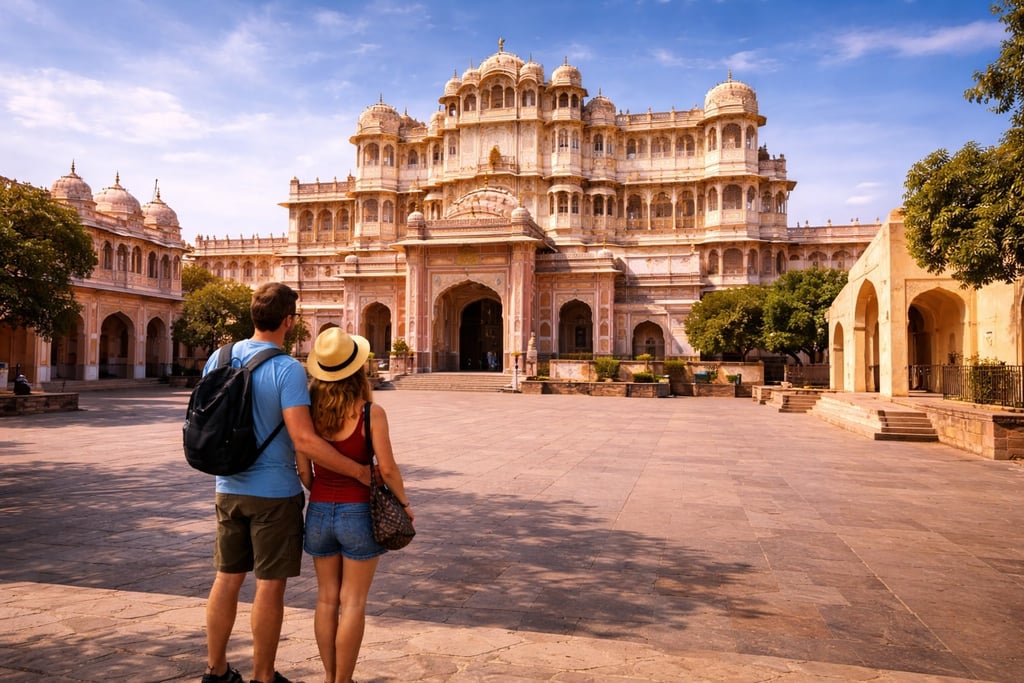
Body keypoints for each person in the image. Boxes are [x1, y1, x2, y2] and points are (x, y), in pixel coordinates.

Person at [201, 283, 371, 683]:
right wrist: (358, 471)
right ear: (290, 322)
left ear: (253, 316)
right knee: (269, 586)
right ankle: (263, 676)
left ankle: (216, 669)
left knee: (226, 578)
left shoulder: (219, 356)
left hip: (227, 486)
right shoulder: (287, 369)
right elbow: (304, 440)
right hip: (273, 493)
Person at [297, 327, 413, 683]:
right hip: (359, 513)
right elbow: (388, 468)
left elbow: (304, 469)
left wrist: (323, 491)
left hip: (317, 512)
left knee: (326, 600)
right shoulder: (369, 413)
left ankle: (331, 676)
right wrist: (405, 504)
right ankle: (342, 681)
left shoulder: (308, 412)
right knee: (354, 603)